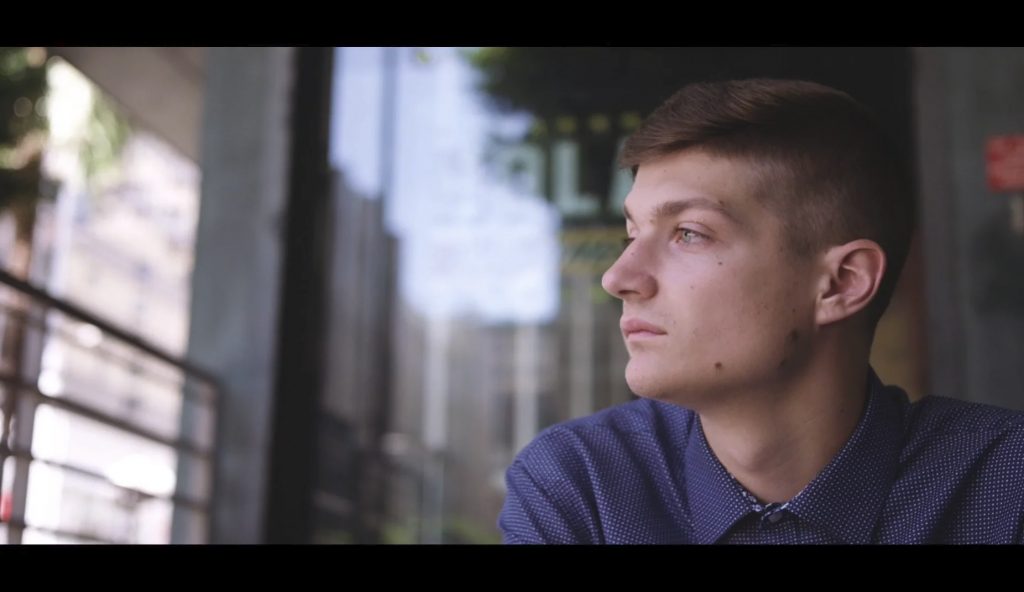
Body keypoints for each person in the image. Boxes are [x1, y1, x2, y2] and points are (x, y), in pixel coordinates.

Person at [497, 78, 1024, 544]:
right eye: (632, 233)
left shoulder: (1004, 489)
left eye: (689, 234)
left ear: (843, 282)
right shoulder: (582, 487)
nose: (618, 278)